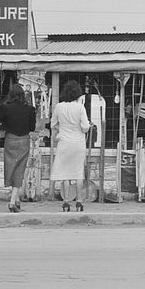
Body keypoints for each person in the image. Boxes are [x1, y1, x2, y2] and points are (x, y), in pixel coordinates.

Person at [0, 82, 38, 212]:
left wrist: (3, 127)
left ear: (10, 95)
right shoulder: (30, 109)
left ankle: (15, 200)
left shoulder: (5, 107)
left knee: (11, 167)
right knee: (20, 169)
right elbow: (32, 128)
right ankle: (13, 202)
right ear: (23, 95)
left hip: (10, 140)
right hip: (24, 141)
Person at [50, 80, 92, 209]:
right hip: (78, 143)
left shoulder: (59, 107)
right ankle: (79, 201)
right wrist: (88, 125)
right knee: (78, 172)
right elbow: (85, 127)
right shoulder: (80, 107)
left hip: (64, 142)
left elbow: (53, 124)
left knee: (65, 173)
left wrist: (61, 130)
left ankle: (66, 201)